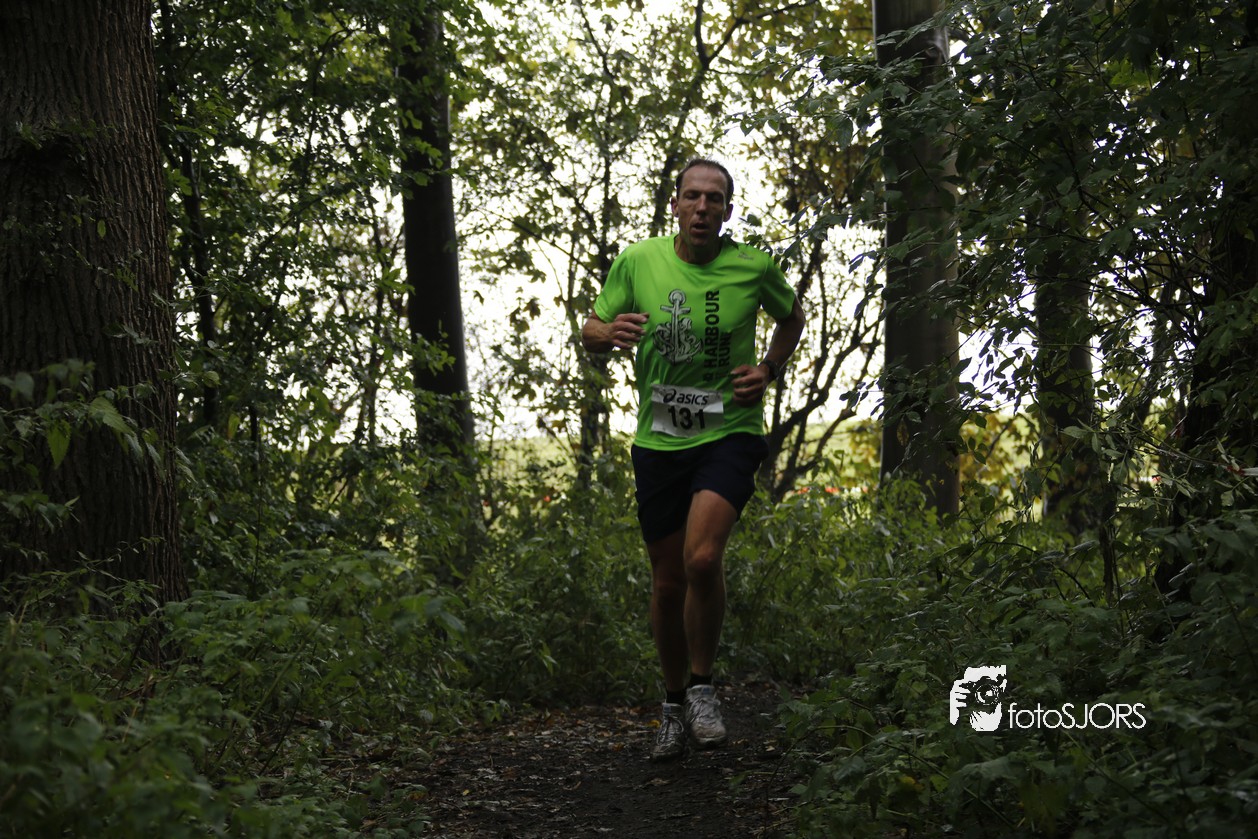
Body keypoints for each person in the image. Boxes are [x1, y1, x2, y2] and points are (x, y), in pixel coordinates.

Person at [581, 158, 806, 761]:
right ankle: (673, 704)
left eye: (714, 198)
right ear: (676, 205)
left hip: (729, 431)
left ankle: (703, 689)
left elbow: (792, 318)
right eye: (692, 196)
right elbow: (591, 329)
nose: (702, 207)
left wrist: (769, 369)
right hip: (659, 441)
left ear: (728, 210)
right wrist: (609, 332)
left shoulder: (754, 267)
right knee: (667, 582)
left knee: (702, 558)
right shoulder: (639, 261)